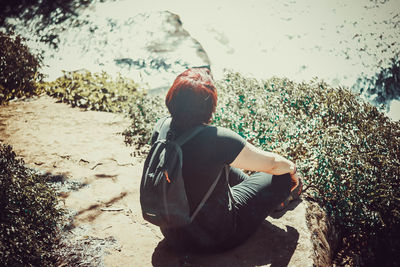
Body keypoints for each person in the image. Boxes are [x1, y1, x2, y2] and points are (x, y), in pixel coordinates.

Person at [150, 67, 302, 252]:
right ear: (209, 106)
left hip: (172, 233)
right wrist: (293, 170)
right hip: (216, 237)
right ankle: (275, 201)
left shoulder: (162, 127)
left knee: (223, 168)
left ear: (172, 97)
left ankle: (265, 202)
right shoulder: (217, 139)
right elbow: (273, 164)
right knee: (281, 177)